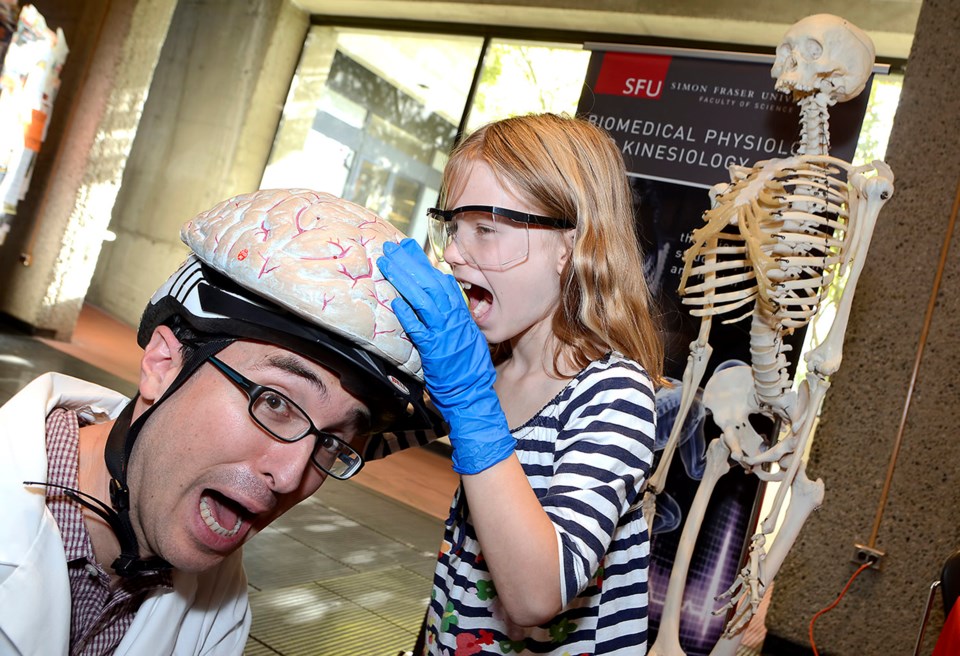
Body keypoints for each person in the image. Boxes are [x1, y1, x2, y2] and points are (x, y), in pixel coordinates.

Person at [0, 188, 443, 655]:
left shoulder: (222, 612)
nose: (291, 474)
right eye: (276, 402)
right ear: (163, 363)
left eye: (331, 442)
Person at [377, 113, 664, 656]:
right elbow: (360, 441)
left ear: (570, 246)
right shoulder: (491, 365)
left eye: (485, 229)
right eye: (453, 228)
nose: (455, 254)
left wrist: (468, 400)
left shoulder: (612, 394)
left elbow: (536, 594)